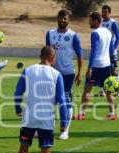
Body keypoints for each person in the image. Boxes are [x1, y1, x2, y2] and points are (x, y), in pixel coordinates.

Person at [14, 46, 68, 153]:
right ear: (52, 58)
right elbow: (62, 101)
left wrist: (18, 108)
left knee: (23, 148)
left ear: (40, 56)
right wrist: (64, 123)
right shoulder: (56, 74)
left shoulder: (28, 70)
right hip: (46, 119)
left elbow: (18, 92)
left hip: (29, 118)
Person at [46, 9, 83, 140]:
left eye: (65, 18)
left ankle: (65, 131)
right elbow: (46, 54)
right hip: (52, 73)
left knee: (66, 102)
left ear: (68, 20)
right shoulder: (50, 34)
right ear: (57, 19)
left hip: (68, 74)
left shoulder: (73, 36)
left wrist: (79, 73)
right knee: (49, 102)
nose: (63, 20)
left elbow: (79, 55)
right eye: (61, 18)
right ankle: (47, 129)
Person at [73, 12, 115, 120]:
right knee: (108, 91)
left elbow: (94, 52)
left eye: (91, 20)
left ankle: (81, 113)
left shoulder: (95, 33)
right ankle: (112, 114)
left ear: (96, 20)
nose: (89, 22)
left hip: (96, 66)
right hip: (107, 66)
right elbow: (111, 50)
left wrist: (89, 68)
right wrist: (113, 66)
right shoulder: (108, 32)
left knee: (87, 90)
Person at [95, 5, 119, 97]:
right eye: (102, 12)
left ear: (109, 13)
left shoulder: (113, 23)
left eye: (106, 12)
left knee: (113, 71)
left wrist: (113, 49)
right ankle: (103, 90)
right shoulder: (100, 22)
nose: (104, 14)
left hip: (111, 52)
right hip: (103, 52)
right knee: (104, 71)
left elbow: (118, 37)